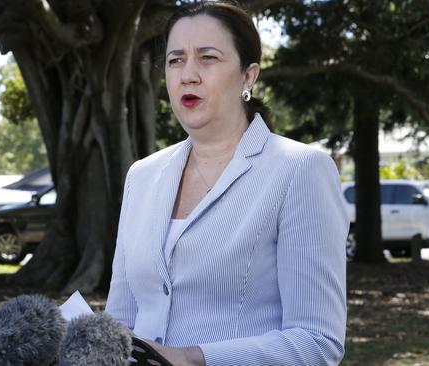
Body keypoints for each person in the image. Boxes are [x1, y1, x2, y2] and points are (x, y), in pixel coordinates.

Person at [105, 2, 348, 365]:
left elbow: (317, 342)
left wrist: (192, 357)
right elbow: (119, 319)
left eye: (207, 58)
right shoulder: (142, 175)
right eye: (175, 60)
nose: (188, 74)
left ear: (248, 76)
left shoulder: (301, 170)